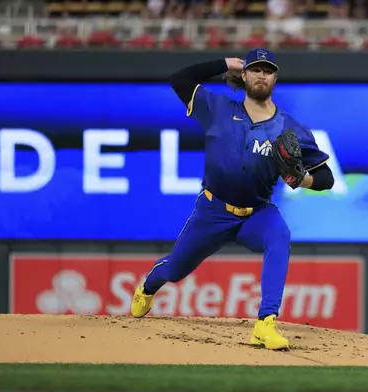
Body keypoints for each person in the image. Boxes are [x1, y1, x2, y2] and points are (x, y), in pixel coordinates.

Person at [130, 48, 335, 350]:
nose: (261, 75)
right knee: (174, 271)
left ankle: (265, 323)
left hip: (256, 213)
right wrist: (224, 63)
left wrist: (302, 179)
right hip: (213, 210)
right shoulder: (217, 107)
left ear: (275, 77)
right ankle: (148, 287)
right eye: (255, 69)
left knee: (279, 235)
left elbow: (327, 178)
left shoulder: (291, 128)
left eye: (267, 70)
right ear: (244, 75)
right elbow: (180, 79)